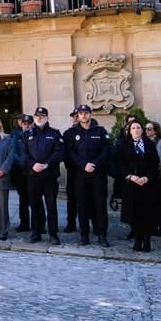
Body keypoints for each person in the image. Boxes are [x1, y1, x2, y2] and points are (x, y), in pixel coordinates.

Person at [65, 105, 111, 247]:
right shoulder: (71, 133)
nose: (83, 115)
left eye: (86, 113)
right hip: (80, 175)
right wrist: (83, 165)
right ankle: (84, 235)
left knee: (100, 205)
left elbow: (106, 151)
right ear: (77, 116)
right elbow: (69, 153)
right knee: (82, 206)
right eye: (81, 113)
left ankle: (102, 234)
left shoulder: (100, 131)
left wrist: (94, 164)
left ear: (90, 114)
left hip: (98, 174)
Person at [23, 107, 64, 244]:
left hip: (49, 176)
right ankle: (36, 232)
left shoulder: (55, 133)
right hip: (33, 175)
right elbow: (23, 153)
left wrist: (47, 164)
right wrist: (33, 164)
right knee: (35, 206)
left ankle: (53, 234)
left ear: (47, 118)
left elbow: (59, 152)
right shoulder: (27, 134)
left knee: (51, 205)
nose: (39, 118)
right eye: (37, 116)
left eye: (42, 116)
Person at [119, 121, 161, 252]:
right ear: (129, 131)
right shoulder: (123, 145)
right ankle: (137, 239)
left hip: (148, 185)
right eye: (133, 128)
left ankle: (147, 240)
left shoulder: (149, 144)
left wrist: (146, 177)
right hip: (131, 185)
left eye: (138, 127)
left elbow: (155, 164)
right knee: (134, 214)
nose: (136, 130)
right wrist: (131, 176)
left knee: (147, 213)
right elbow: (119, 164)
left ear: (142, 130)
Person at [145, 121, 161, 236]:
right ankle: (152, 225)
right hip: (147, 176)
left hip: (159, 176)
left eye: (149, 129)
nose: (146, 131)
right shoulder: (143, 143)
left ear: (156, 130)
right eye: (145, 129)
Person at [10, 114, 33, 232]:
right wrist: (25, 164)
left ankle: (38, 224)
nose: (27, 126)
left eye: (29, 124)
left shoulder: (36, 135)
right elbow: (13, 153)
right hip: (21, 172)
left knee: (35, 200)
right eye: (24, 123)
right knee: (23, 200)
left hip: (34, 173)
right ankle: (24, 224)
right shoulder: (16, 136)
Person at [62, 109, 79, 233]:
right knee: (72, 199)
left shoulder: (94, 129)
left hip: (88, 171)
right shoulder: (68, 133)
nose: (75, 119)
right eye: (74, 116)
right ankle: (71, 223)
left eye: (77, 116)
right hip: (73, 171)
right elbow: (66, 152)